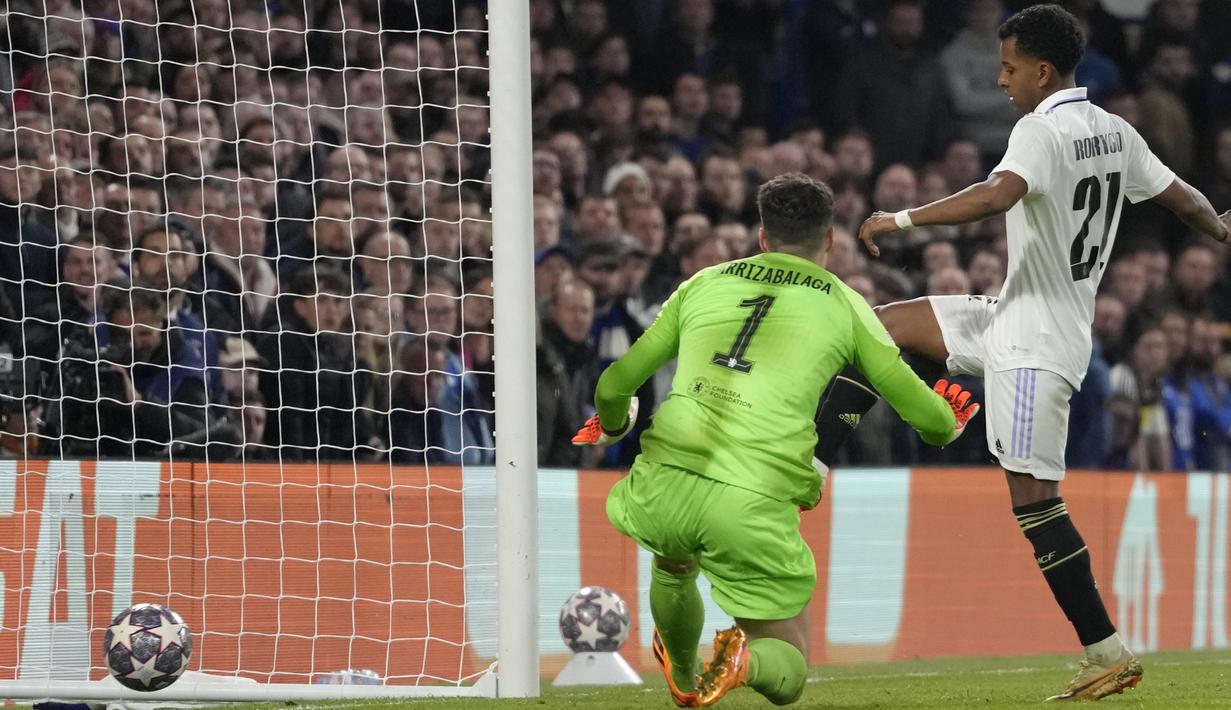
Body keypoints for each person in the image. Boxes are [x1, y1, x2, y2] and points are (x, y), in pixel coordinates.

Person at [812, 4, 1231, 700]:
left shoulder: (1040, 130)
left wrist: (904, 218)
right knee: (880, 326)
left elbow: (995, 193)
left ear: (1041, 71)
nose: (1001, 80)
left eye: (1008, 69)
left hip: (1038, 344)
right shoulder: (1114, 131)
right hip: (1014, 314)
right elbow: (1178, 198)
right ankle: (810, 465)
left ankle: (1105, 650)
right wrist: (1217, 229)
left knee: (1033, 498)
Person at [572, 173, 975, 707]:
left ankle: (686, 679)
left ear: (762, 238)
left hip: (665, 478)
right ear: (829, 240)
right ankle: (744, 661)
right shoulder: (845, 304)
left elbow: (613, 384)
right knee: (789, 665)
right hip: (751, 495)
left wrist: (618, 423)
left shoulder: (702, 283)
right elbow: (919, 408)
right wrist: (947, 423)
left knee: (671, 563)